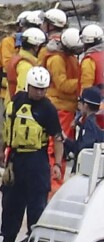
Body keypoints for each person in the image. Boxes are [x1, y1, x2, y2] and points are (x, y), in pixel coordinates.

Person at [0, 66, 65, 242]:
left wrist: (57, 164)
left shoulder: (48, 109)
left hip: (36, 160)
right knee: (11, 204)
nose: (39, 92)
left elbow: (57, 138)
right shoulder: (17, 100)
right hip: (15, 159)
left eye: (43, 89)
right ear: (28, 86)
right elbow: (9, 127)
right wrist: (2, 151)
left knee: (36, 206)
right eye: (36, 88)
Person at [0, 11, 36, 177]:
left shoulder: (38, 48)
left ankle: (9, 161)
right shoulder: (8, 43)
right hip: (4, 93)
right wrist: (22, 49)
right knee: (0, 130)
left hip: (24, 94)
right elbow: (9, 65)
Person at [43, 27, 83, 194]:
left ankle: (57, 181)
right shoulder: (56, 60)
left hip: (69, 108)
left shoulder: (70, 56)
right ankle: (53, 184)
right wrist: (83, 84)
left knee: (65, 148)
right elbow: (62, 84)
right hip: (60, 107)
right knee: (56, 147)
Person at [65, 85, 104, 163]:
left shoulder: (89, 124)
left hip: (88, 168)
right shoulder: (97, 120)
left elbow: (82, 148)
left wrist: (65, 140)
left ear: (85, 105)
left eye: (81, 102)